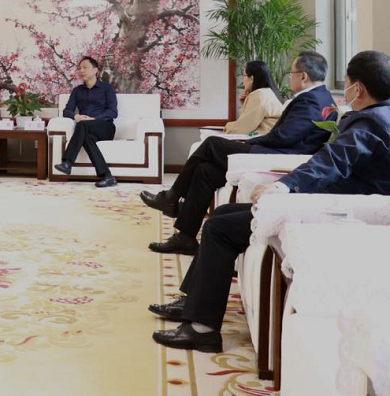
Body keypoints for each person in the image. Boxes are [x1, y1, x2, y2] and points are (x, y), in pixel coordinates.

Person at [150, 50, 390, 352]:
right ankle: (193, 304)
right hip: (332, 200)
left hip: (335, 210)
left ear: (358, 89)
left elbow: (331, 161)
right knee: (223, 214)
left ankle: (202, 329)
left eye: (348, 82)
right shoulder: (381, 115)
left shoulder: (370, 123)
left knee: (218, 229)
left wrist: (283, 187)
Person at [142, 51, 335, 255]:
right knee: (205, 171)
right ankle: (185, 237)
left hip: (276, 156)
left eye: (292, 73)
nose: (289, 77)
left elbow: (284, 137)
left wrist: (250, 142)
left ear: (303, 76)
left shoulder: (311, 101)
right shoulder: (318, 97)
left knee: (211, 144)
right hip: (275, 149)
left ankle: (171, 197)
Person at [53, 57, 119, 188]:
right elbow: (66, 111)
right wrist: (76, 116)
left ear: (95, 70)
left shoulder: (107, 88)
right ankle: (107, 176)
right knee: (87, 139)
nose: (81, 71)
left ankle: (68, 162)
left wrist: (94, 119)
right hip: (86, 129)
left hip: (105, 127)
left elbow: (113, 112)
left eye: (85, 67)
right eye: (80, 68)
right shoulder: (77, 91)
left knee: (83, 125)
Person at [223, 60, 284, 135]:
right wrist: (245, 102)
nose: (243, 80)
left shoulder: (259, 95)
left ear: (251, 79)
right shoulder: (267, 93)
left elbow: (243, 127)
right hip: (270, 136)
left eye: (244, 76)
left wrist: (227, 126)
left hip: (264, 139)